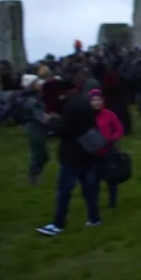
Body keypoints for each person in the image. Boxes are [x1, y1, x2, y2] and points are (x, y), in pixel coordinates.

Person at [37, 76, 102, 236]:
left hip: (72, 153)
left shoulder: (70, 106)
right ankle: (94, 218)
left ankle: (58, 224)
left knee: (65, 190)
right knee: (89, 189)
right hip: (88, 150)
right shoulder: (83, 101)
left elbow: (65, 129)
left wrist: (51, 122)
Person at [19, 74, 50, 185]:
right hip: (35, 129)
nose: (39, 85)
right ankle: (33, 176)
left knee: (40, 154)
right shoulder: (32, 101)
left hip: (35, 128)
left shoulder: (32, 98)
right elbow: (41, 118)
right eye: (36, 83)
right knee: (39, 155)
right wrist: (50, 118)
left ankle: (35, 175)